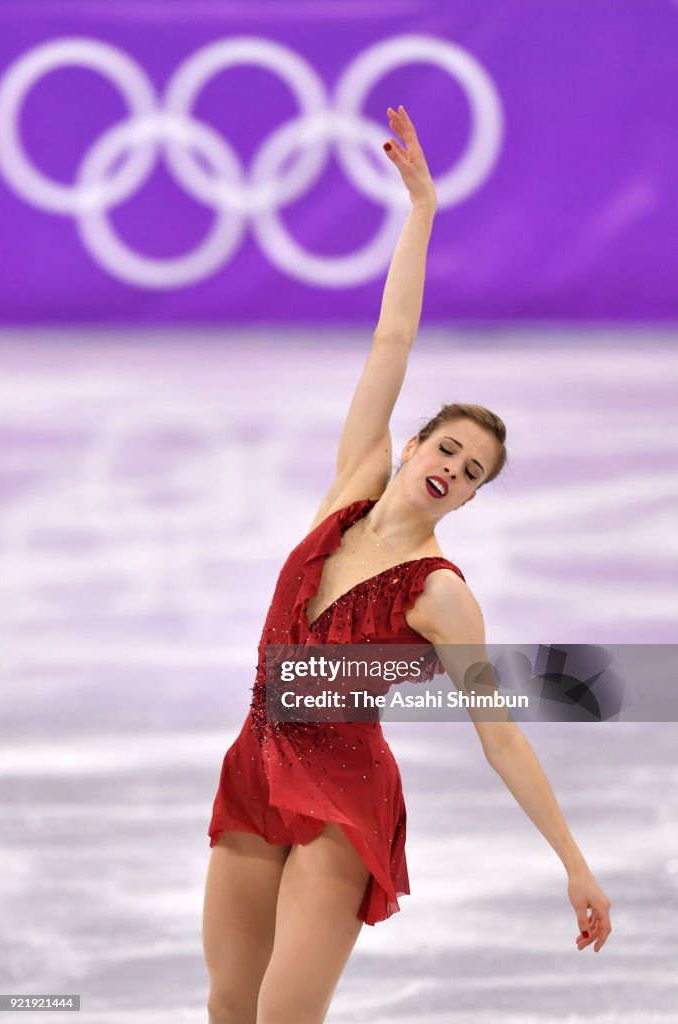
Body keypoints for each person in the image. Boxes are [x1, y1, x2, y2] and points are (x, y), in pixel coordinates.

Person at [203, 105, 612, 1024]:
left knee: (280, 1018)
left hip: (344, 794)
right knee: (228, 1006)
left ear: (469, 501)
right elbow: (391, 340)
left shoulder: (439, 594)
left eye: (471, 475)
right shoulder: (351, 484)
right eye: (448, 448)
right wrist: (421, 210)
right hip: (256, 764)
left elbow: (498, 734)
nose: (451, 470)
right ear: (417, 440)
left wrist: (573, 864)